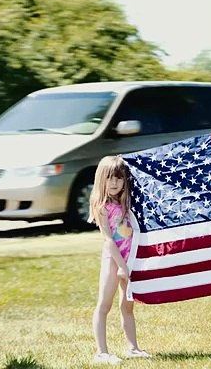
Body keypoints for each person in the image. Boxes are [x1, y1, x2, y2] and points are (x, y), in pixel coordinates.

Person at [89, 155, 151, 364]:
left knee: (127, 306)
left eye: (118, 178)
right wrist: (121, 267)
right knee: (104, 305)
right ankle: (101, 352)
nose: (114, 183)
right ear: (101, 180)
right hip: (113, 260)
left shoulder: (126, 203)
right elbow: (108, 240)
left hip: (130, 259)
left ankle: (133, 347)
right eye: (109, 178)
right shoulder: (102, 206)